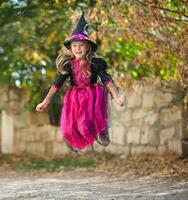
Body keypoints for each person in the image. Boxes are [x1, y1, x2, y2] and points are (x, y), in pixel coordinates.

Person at [36, 12, 124, 152]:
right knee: (69, 129)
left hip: (92, 97)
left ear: (88, 47)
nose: (77, 48)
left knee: (85, 124)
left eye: (81, 45)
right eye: (75, 45)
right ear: (70, 47)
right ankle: (73, 139)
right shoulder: (69, 65)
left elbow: (107, 80)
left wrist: (116, 97)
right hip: (75, 98)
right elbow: (57, 84)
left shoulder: (95, 63)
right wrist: (45, 101)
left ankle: (101, 129)